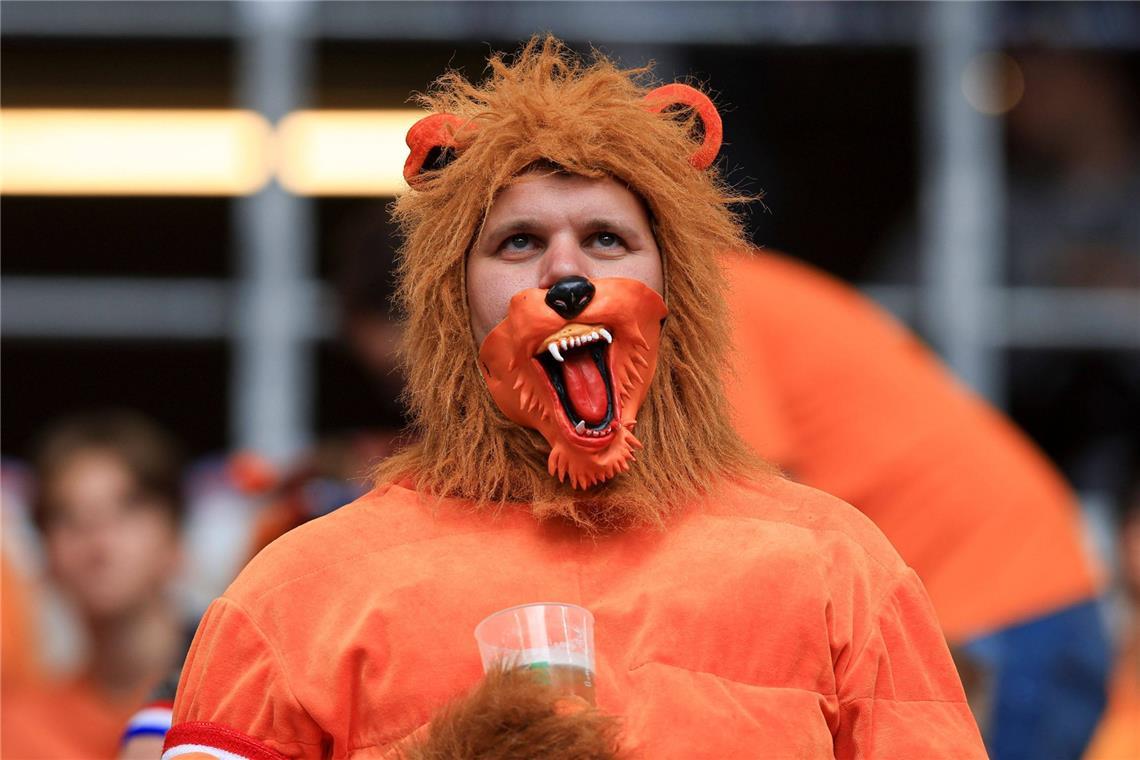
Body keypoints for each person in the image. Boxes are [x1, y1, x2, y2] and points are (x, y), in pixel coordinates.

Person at [165, 37, 985, 758]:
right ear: (451, 302)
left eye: (606, 239)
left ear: (680, 291)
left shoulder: (837, 567)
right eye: (519, 241)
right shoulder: (294, 597)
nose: (567, 274)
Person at [1, 410, 191, 759]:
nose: (98, 541)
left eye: (126, 508)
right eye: (69, 517)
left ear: (176, 541)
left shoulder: (236, 713)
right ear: (46, 555)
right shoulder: (13, 732)